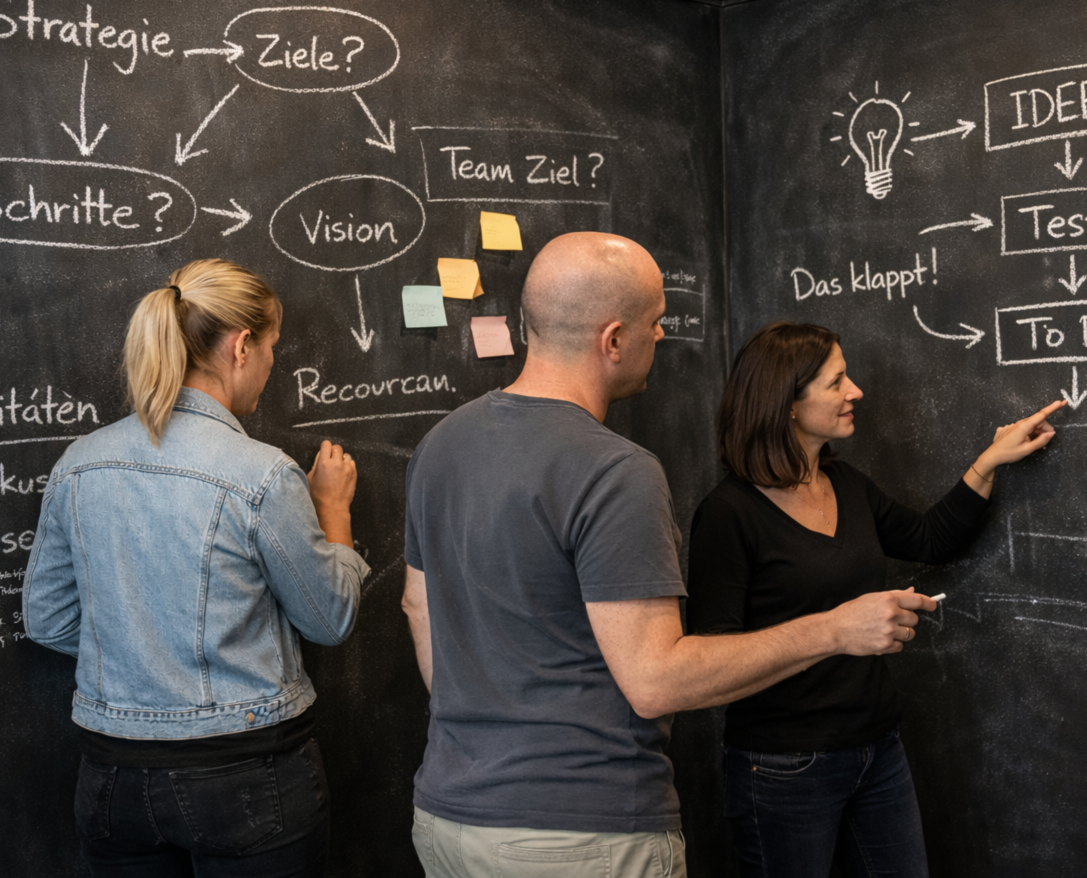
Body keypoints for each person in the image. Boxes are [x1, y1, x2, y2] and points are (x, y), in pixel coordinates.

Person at [400, 233, 940, 878]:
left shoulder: (440, 444)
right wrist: (835, 629)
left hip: (449, 818)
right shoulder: (614, 471)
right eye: (655, 323)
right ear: (613, 339)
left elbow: (418, 604)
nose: (662, 337)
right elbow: (658, 681)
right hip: (580, 835)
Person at [23, 258, 369, 877]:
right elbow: (329, 620)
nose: (271, 364)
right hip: (247, 777)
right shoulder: (261, 473)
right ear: (241, 346)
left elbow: (47, 621)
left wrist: (142, 650)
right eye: (271, 348)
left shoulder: (80, 464)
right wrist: (332, 510)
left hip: (112, 780)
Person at [684, 321, 1064, 878]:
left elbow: (930, 539)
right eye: (837, 381)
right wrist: (834, 628)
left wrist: (989, 461)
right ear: (787, 401)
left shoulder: (846, 484)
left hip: (877, 750)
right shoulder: (728, 514)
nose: (855, 391)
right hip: (785, 767)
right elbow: (711, 659)